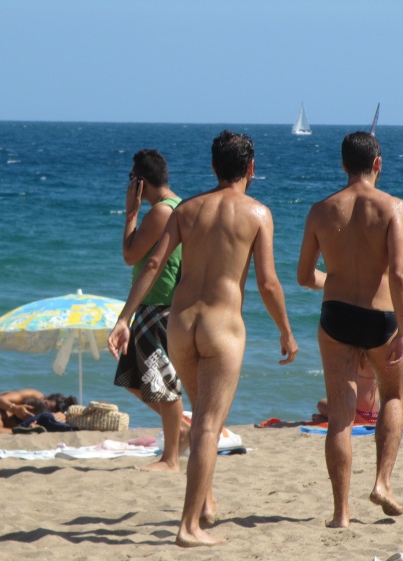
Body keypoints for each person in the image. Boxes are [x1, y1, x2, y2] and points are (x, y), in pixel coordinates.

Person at [108, 130, 298, 547]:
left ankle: (206, 503)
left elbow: (152, 264)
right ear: (251, 168)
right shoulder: (258, 213)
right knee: (210, 426)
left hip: (180, 325)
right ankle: (188, 527)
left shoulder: (186, 209)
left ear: (213, 167)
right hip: (221, 327)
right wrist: (285, 330)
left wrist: (124, 318)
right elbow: (268, 282)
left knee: (201, 423)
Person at [297, 131, 403, 528]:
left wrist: (332, 279)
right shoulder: (393, 207)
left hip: (336, 316)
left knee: (341, 416)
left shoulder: (320, 210)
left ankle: (341, 514)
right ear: (377, 164)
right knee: (392, 396)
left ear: (343, 165)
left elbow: (304, 276)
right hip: (380, 317)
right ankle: (382, 483)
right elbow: (398, 273)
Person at [113, 149, 188, 472]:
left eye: (131, 179)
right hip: (156, 304)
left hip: (157, 305)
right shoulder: (179, 204)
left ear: (140, 182)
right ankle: (179, 428)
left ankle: (171, 458)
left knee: (162, 385)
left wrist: (131, 213)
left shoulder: (161, 212)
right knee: (133, 379)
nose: (129, 185)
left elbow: (131, 255)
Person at [313, 352, 403, 424]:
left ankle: (329, 419)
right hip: (387, 413)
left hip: (358, 414)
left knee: (321, 404)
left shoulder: (358, 346)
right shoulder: (398, 348)